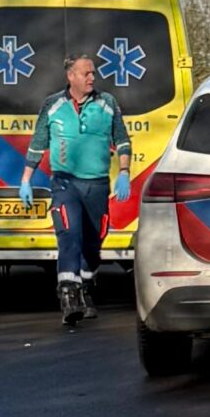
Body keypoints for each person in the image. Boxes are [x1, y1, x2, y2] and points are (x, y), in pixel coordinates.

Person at [20, 52, 131, 328]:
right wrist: (26, 180)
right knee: (69, 236)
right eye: (86, 73)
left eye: (93, 73)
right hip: (64, 183)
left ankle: (86, 288)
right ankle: (69, 297)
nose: (92, 77)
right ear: (71, 77)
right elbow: (38, 143)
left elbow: (123, 140)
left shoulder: (107, 104)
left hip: (97, 185)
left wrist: (125, 172)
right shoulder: (53, 105)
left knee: (93, 245)